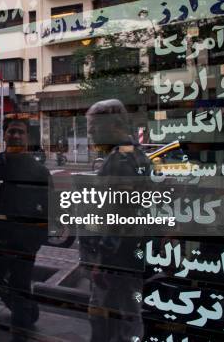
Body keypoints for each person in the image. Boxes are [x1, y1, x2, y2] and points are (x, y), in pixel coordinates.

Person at [0, 117, 50, 342]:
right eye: (11, 131)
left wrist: (33, 243)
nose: (15, 135)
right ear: (4, 135)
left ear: (27, 137)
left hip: (22, 249)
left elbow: (50, 212)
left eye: (20, 132)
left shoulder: (39, 171)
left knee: (21, 296)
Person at [82, 99, 151, 342]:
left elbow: (120, 214)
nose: (90, 133)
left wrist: (102, 260)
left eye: (93, 127)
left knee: (107, 317)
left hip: (116, 259)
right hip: (131, 254)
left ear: (111, 124)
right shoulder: (137, 155)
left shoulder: (120, 160)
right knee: (129, 314)